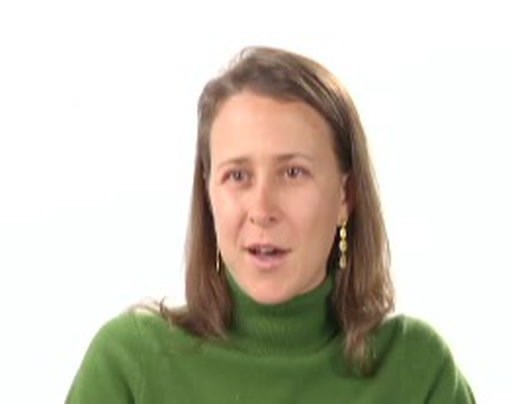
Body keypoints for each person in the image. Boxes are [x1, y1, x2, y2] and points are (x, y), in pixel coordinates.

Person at [66, 46, 475, 403]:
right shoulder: (129, 363)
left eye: (293, 173)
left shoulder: (417, 370)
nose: (262, 209)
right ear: (208, 195)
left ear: (345, 197)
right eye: (238, 176)